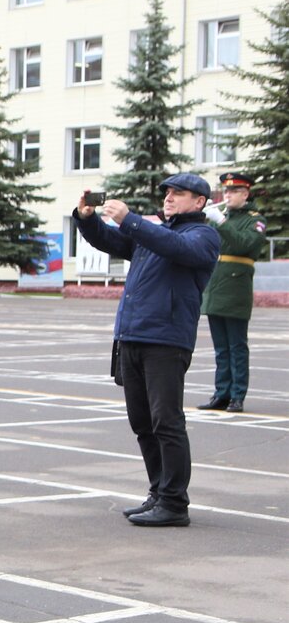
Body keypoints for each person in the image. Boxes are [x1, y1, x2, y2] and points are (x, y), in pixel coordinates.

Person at [74, 175, 221, 527]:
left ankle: (174, 503)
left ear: (199, 202)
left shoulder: (202, 236)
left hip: (166, 341)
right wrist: (88, 218)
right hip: (133, 336)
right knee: (142, 422)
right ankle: (158, 493)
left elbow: (176, 248)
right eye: (167, 192)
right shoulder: (151, 234)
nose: (169, 198)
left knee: (166, 422)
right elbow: (110, 240)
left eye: (178, 194)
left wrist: (132, 219)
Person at [196, 171, 270, 414]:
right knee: (220, 347)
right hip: (217, 285)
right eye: (226, 191)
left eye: (234, 191)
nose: (227, 196)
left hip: (236, 287)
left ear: (245, 194)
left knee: (237, 346)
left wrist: (222, 222)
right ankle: (221, 393)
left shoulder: (255, 219)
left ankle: (237, 395)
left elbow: (244, 245)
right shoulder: (222, 217)